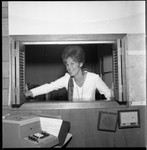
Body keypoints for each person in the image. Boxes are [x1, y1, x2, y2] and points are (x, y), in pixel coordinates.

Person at [25, 45, 113, 101]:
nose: (69, 68)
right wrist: (29, 92)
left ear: (80, 63)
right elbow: (49, 87)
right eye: (67, 64)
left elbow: (109, 95)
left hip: (90, 117)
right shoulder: (67, 79)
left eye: (72, 63)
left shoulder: (94, 78)